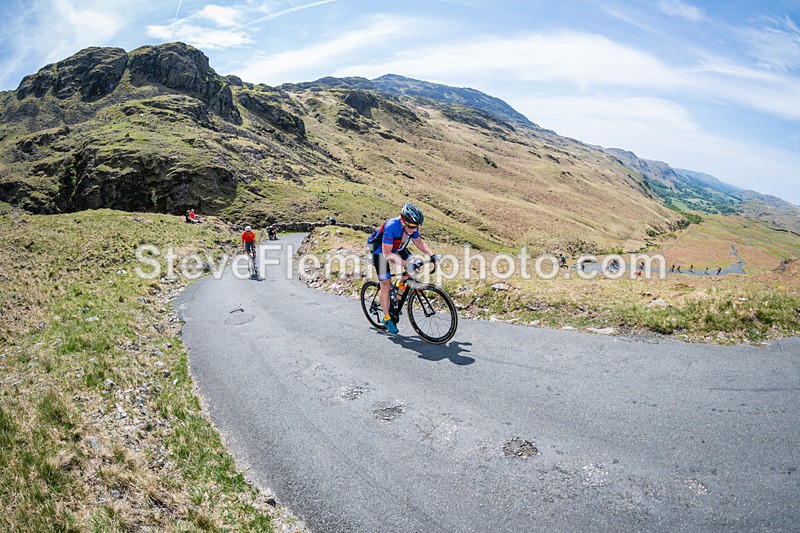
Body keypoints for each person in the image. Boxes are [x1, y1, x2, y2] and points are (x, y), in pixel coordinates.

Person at [367, 203, 438, 334]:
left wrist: (431, 255)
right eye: (411, 227)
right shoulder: (392, 226)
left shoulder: (411, 227)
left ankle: (399, 285)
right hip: (379, 251)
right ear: (403, 221)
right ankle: (387, 318)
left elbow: (418, 241)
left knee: (415, 268)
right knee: (385, 285)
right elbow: (387, 254)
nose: (413, 230)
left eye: (416, 227)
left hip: (397, 247)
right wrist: (406, 264)